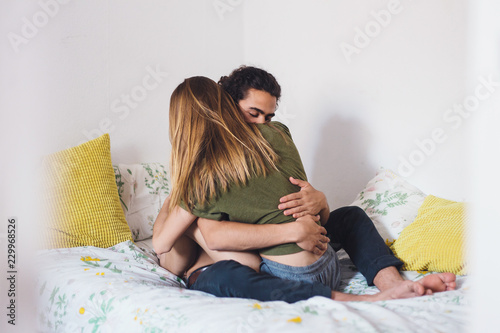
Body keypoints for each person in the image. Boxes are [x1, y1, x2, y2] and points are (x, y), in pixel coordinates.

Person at [153, 75, 456, 303]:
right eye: (253, 113)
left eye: (267, 117)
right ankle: (389, 287)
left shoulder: (202, 179)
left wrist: (319, 201)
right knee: (349, 217)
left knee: (223, 274)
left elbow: (170, 246)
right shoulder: (277, 136)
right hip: (320, 258)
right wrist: (296, 229)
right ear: (228, 108)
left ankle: (379, 294)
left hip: (287, 270)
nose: (261, 123)